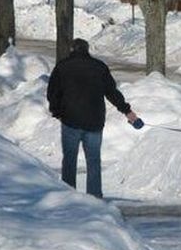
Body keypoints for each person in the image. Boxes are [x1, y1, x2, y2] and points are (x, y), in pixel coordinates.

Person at [47, 38, 142, 198]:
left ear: (72, 49)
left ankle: (68, 196)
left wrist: (57, 112)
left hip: (70, 121)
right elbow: (112, 93)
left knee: (69, 159)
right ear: (87, 49)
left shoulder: (62, 67)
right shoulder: (99, 67)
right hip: (94, 122)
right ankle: (95, 197)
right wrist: (128, 112)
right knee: (93, 161)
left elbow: (52, 93)